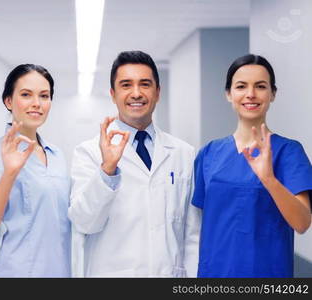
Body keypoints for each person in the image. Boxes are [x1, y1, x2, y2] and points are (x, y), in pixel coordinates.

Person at [68, 50, 200, 277]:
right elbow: (84, 223)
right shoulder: (88, 152)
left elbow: (192, 234)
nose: (136, 93)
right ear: (113, 93)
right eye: (126, 85)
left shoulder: (183, 153)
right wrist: (107, 170)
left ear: (158, 92)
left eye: (145, 84)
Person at [192, 54, 312, 277]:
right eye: (241, 86)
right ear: (229, 94)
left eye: (260, 86)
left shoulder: (289, 152)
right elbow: (197, 227)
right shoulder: (209, 154)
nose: (251, 94)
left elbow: (303, 222)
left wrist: (269, 179)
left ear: (272, 94)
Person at [0, 64, 71, 277]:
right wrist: (10, 172)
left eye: (44, 96)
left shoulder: (56, 155)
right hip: (17, 270)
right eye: (26, 95)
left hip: (59, 270)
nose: (36, 104)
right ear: (8, 101)